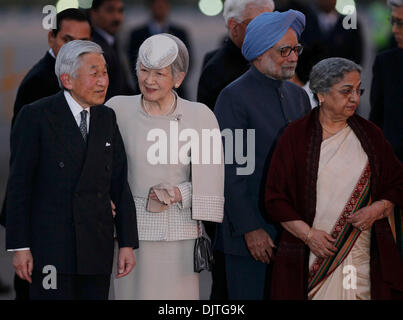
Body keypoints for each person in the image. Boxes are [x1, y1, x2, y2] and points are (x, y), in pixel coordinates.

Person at [5, 40, 138, 300]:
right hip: (51, 248)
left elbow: (120, 183)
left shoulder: (106, 117)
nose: (103, 81)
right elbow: (19, 186)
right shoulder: (36, 116)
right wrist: (20, 247)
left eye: (105, 72)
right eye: (94, 73)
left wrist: (127, 243)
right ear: (67, 79)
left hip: (96, 247)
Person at [265, 57, 403, 300]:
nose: (355, 98)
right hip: (310, 254)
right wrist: (309, 235)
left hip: (358, 254)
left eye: (358, 90)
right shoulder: (295, 137)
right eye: (346, 91)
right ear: (321, 94)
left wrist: (378, 209)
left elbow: (397, 182)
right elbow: (275, 199)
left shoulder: (370, 136)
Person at [106, 34, 224, 300]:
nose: (149, 80)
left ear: (179, 78)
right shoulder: (116, 109)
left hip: (179, 236)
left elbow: (212, 183)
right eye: (144, 70)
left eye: (159, 73)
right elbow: (99, 169)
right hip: (129, 235)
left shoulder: (200, 115)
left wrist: (177, 193)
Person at [214, 10, 311, 300]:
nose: (293, 57)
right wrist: (250, 229)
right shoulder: (234, 97)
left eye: (296, 49)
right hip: (250, 237)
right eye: (284, 50)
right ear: (258, 53)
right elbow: (230, 171)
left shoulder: (297, 96)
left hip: (292, 233)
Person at [0, 8, 92, 301]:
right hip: (41, 220)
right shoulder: (39, 82)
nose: (75, 49)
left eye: (83, 41)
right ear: (51, 37)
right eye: (68, 39)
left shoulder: (87, 78)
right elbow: (23, 166)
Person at [197, 0, 274, 300]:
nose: (271, 31)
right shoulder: (221, 71)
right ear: (234, 27)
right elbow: (222, 154)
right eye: (259, 23)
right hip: (233, 205)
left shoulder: (271, 61)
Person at [197, 0, 275, 112]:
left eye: (271, 23)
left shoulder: (273, 58)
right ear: (234, 27)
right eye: (258, 24)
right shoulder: (217, 70)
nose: (267, 31)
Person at [127, 0, 191, 98]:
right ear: (150, 7)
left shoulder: (180, 33)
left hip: (175, 91)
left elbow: (187, 60)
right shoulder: (137, 34)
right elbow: (132, 61)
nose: (160, 8)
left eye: (162, 5)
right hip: (145, 90)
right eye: (157, 5)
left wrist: (173, 82)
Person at [370, 0, 403, 162]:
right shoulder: (385, 64)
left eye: (401, 23)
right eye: (393, 22)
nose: (395, 29)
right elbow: (376, 118)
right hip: (393, 165)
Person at [90, 0, 134, 100]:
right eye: (110, 10)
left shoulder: (114, 41)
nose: (117, 17)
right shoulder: (94, 48)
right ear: (94, 14)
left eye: (120, 11)